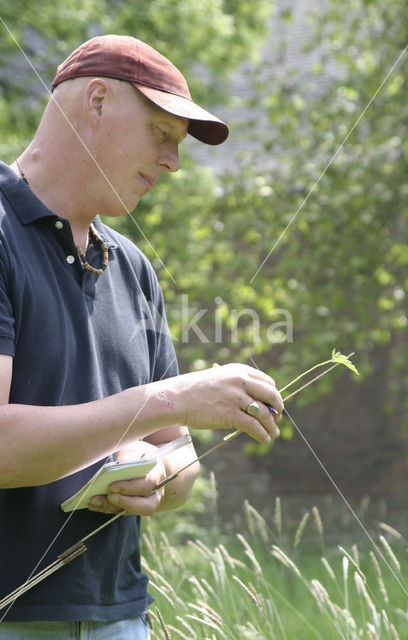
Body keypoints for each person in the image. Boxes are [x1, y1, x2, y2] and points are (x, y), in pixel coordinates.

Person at [0, 35, 283, 639]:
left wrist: (152, 472)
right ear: (96, 102)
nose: (175, 163)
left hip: (122, 618)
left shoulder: (132, 267)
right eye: (161, 134)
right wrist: (171, 399)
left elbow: (179, 460)